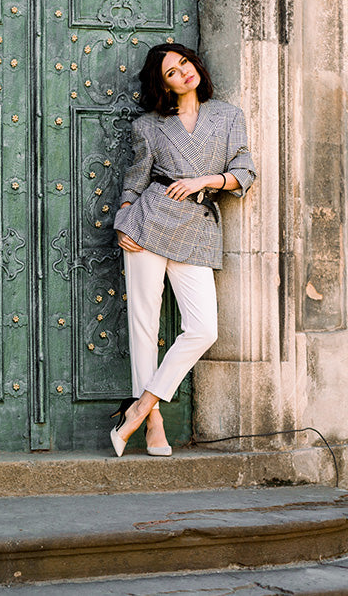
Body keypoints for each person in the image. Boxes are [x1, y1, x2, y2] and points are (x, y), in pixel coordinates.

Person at [109, 43, 256, 457]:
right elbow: (135, 182)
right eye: (171, 72)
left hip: (196, 228)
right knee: (144, 325)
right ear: (165, 85)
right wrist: (124, 221)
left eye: (184, 63)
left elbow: (245, 171)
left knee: (204, 328)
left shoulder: (228, 116)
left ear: (195, 66)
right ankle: (153, 424)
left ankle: (139, 408)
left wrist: (204, 180)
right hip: (148, 223)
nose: (183, 73)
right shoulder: (149, 126)